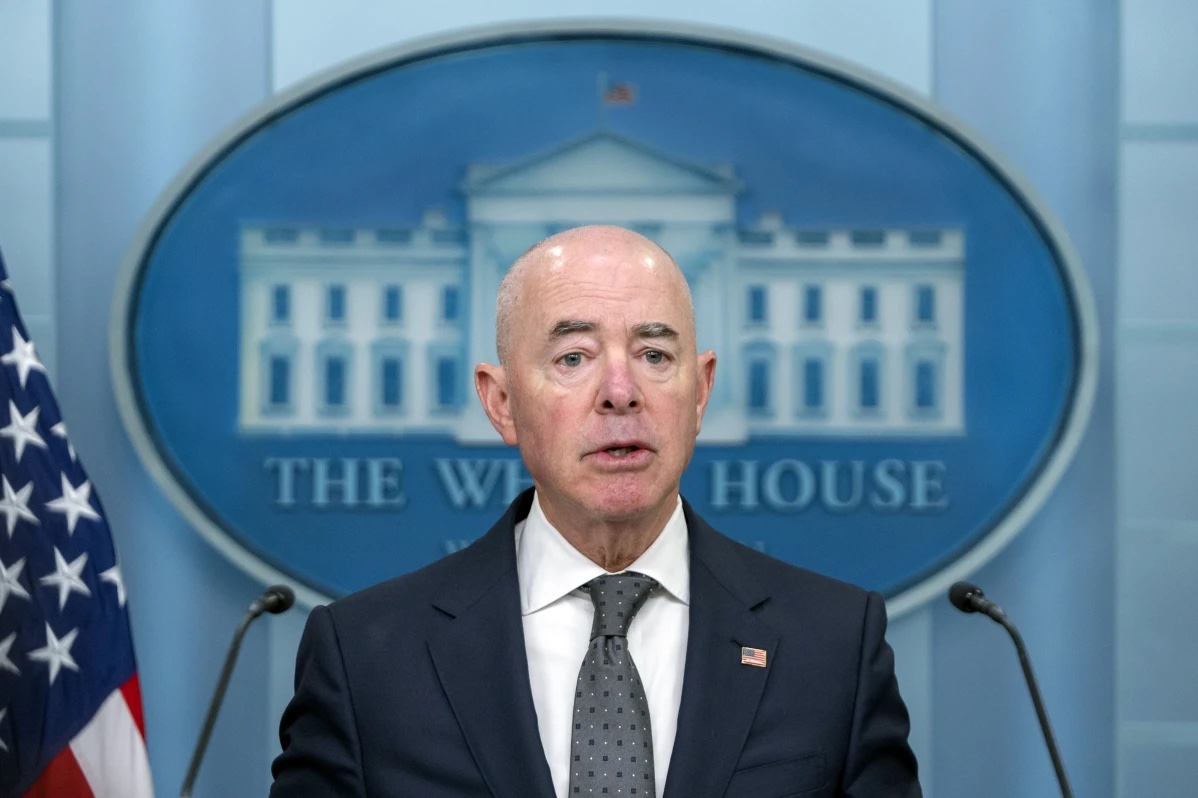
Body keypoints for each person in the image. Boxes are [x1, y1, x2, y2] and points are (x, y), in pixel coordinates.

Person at [269, 225, 921, 797]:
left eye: (655, 356)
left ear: (700, 393)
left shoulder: (833, 646)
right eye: (574, 357)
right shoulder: (366, 658)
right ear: (500, 403)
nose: (619, 392)